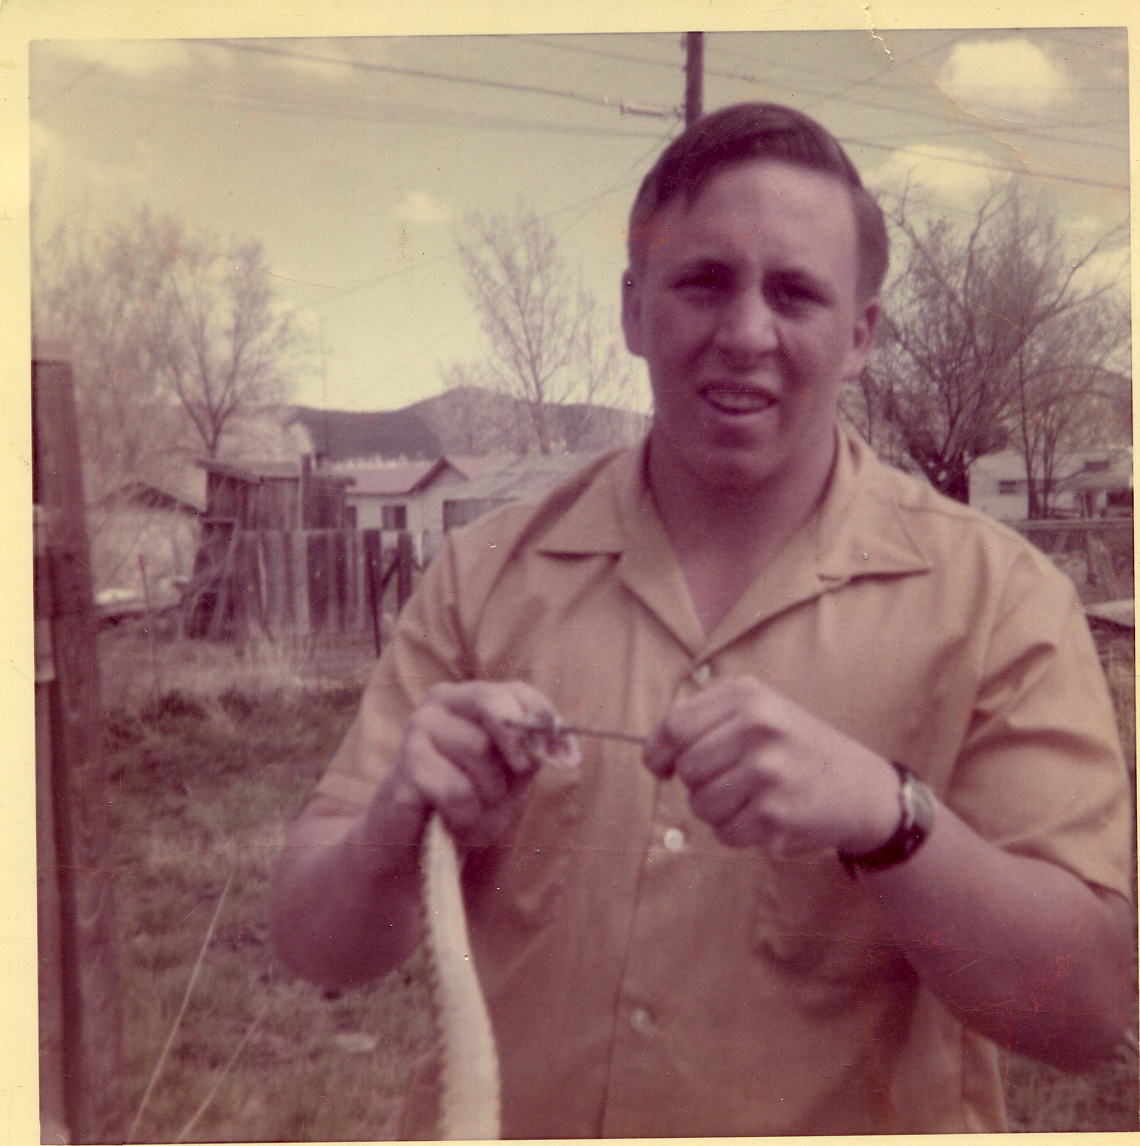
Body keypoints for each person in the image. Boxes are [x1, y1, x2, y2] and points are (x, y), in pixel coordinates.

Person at [270, 103, 1135, 1137]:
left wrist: (889, 817)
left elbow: (1084, 1012)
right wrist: (389, 831)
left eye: (797, 293)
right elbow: (316, 946)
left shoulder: (999, 601)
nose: (746, 333)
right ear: (634, 310)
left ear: (859, 336)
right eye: (703, 282)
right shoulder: (484, 574)